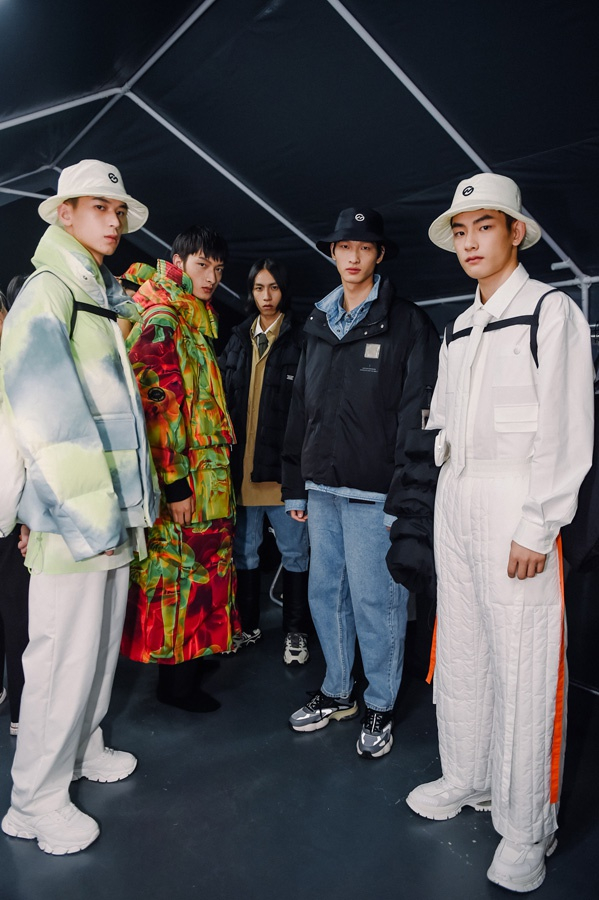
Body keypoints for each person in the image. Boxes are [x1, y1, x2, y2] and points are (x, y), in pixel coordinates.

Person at [406, 173, 595, 893]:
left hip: (517, 504)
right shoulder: (458, 326)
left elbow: (567, 430)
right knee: (461, 648)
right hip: (457, 500)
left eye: (483, 226)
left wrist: (537, 523)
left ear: (515, 231)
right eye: (459, 231)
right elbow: (442, 421)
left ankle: (526, 827)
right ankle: (467, 775)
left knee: (523, 662)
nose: (469, 242)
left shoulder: (549, 311)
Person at [0, 159, 158, 855]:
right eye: (99, 207)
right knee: (61, 656)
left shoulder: (95, 293)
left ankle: (83, 746)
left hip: (109, 512)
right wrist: (90, 517)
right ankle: (33, 801)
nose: (113, 220)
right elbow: (45, 413)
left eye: (118, 210)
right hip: (76, 519)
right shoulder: (49, 290)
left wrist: (122, 510)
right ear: (64, 214)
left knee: (94, 647)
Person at [282, 207, 439, 758]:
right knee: (326, 594)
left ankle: (379, 703)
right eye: (344, 247)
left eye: (364, 247)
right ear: (332, 253)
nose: (353, 256)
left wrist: (406, 496)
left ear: (379, 255)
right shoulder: (318, 324)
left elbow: (418, 416)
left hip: (376, 494)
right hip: (322, 488)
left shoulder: (408, 323)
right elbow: (300, 408)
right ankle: (337, 691)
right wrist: (296, 484)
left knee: (378, 601)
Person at [120, 226, 239, 712]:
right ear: (178, 261)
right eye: (202, 265)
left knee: (201, 577)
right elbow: (158, 409)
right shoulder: (164, 319)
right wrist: (174, 485)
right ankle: (175, 685)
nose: (211, 277)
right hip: (186, 484)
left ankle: (190, 660)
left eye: (218, 269)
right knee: (178, 578)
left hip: (206, 481)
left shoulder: (192, 318)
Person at [220, 258, 310, 664]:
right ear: (251, 292)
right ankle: (247, 627)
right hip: (242, 471)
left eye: (273, 287)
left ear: (283, 290)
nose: (266, 296)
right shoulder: (238, 338)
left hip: (281, 475)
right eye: (259, 288)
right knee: (244, 554)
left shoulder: (301, 339)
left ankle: (296, 632)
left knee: (295, 554)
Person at [0, 278, 30, 737]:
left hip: (12, 514)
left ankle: (23, 713)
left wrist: (26, 517)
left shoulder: (18, 367)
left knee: (19, 615)